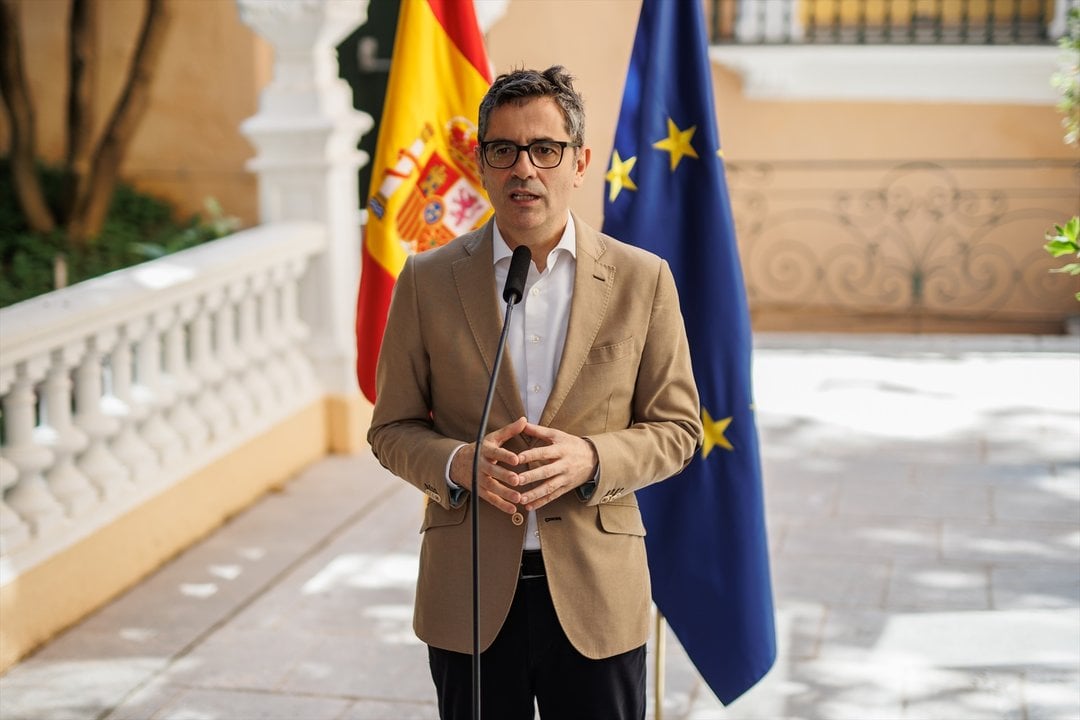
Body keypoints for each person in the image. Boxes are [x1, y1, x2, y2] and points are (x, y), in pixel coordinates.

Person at [367, 66, 702, 720]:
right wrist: (456, 463)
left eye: (545, 149)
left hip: (597, 594)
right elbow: (391, 429)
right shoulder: (427, 281)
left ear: (578, 161)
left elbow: (678, 430)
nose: (525, 168)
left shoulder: (642, 280)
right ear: (481, 164)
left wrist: (593, 459)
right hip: (468, 595)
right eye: (505, 150)